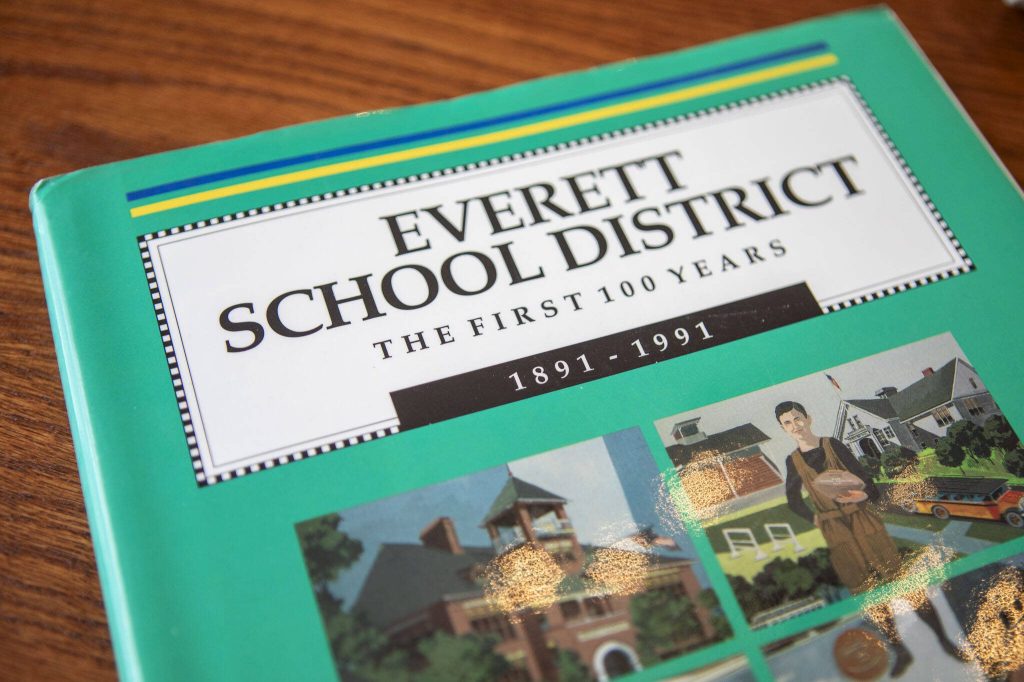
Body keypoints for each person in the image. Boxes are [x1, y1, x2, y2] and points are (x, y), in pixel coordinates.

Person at [776, 401, 965, 677]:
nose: (796, 426)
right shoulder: (792, 461)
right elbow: (792, 501)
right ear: (783, 429)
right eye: (788, 423)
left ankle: (944, 640)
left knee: (901, 581)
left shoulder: (833, 445)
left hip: (862, 518)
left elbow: (866, 479)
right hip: (835, 530)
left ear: (809, 418)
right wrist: (813, 518)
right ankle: (900, 650)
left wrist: (863, 494)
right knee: (868, 594)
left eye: (798, 418)